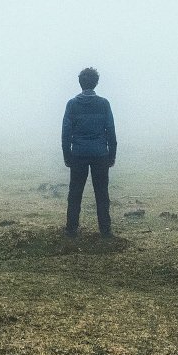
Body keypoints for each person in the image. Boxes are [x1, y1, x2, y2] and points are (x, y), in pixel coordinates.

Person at [61, 67, 117, 236]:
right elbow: (111, 131)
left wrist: (67, 156)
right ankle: (105, 231)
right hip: (100, 155)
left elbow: (66, 133)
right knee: (102, 194)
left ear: (80, 83)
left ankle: (71, 230)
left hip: (78, 155)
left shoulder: (72, 104)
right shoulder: (104, 103)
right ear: (96, 83)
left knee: (75, 193)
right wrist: (111, 155)